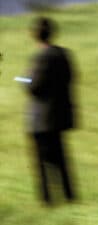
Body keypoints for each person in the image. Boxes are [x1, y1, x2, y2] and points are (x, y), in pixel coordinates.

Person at [26, 17, 76, 204]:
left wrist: (25, 79)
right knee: (62, 160)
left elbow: (33, 87)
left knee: (41, 162)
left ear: (36, 35)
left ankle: (47, 201)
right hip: (60, 114)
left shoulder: (40, 57)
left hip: (41, 118)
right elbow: (71, 78)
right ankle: (70, 196)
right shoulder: (64, 54)